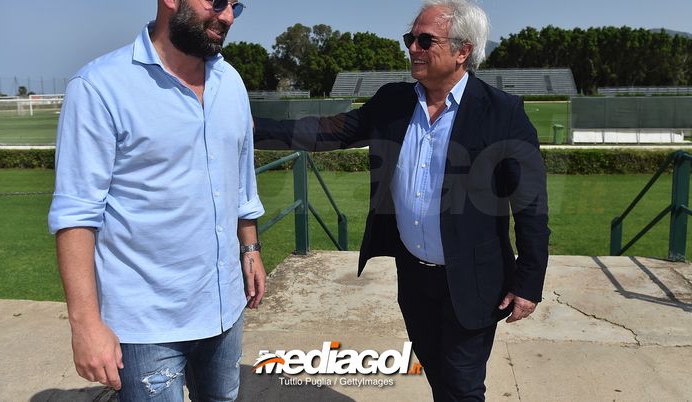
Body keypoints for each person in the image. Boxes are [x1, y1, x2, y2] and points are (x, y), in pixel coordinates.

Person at [253, 0, 549, 400]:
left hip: (474, 280)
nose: (412, 48)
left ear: (463, 50)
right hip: (414, 277)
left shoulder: (502, 112)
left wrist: (528, 282)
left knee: (463, 385)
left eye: (425, 40)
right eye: (410, 38)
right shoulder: (394, 101)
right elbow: (329, 131)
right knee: (438, 374)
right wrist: (249, 126)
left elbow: (530, 204)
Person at [48, 0, 266, 400]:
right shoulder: (99, 86)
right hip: (146, 325)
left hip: (224, 309)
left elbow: (241, 179)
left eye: (237, 5)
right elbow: (76, 214)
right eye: (217, 2)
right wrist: (84, 325)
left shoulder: (230, 81)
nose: (228, 16)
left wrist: (250, 247)